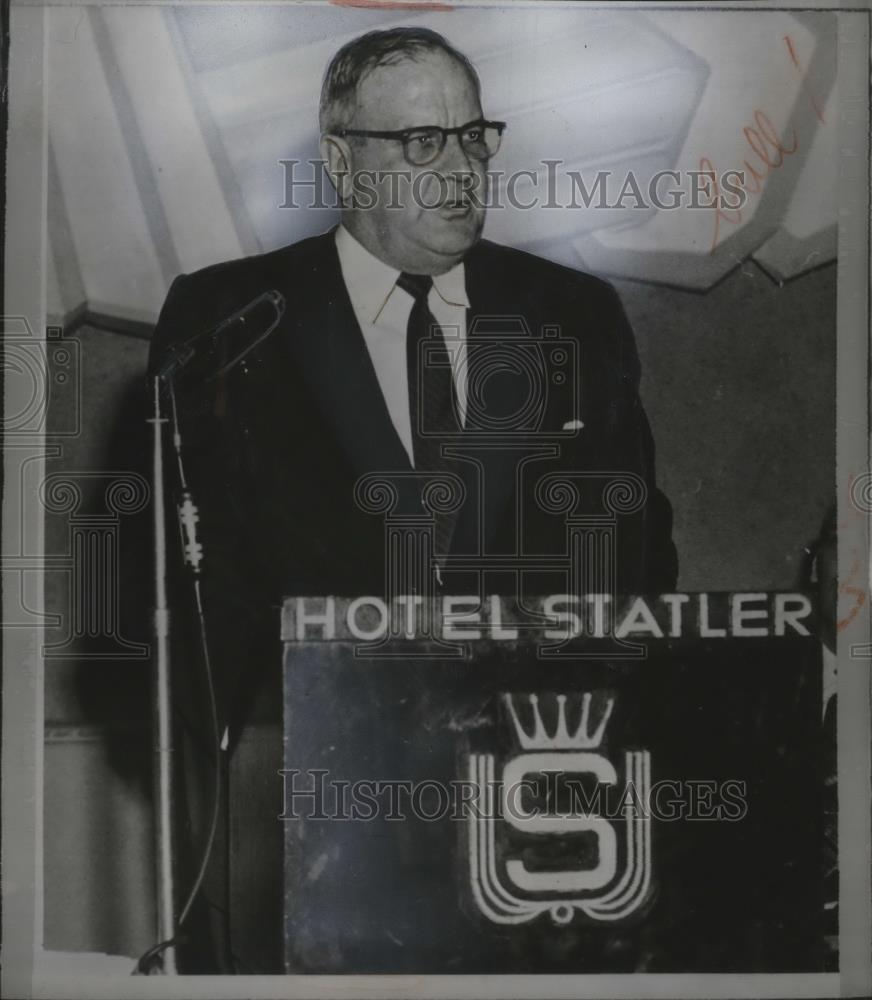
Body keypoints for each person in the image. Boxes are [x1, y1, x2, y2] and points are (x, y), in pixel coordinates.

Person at [147, 26, 677, 971]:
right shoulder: (230, 321)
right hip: (312, 814)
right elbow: (193, 594)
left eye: (475, 136)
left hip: (539, 806)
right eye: (422, 143)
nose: (462, 169)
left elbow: (638, 561)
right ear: (344, 164)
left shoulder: (571, 315)